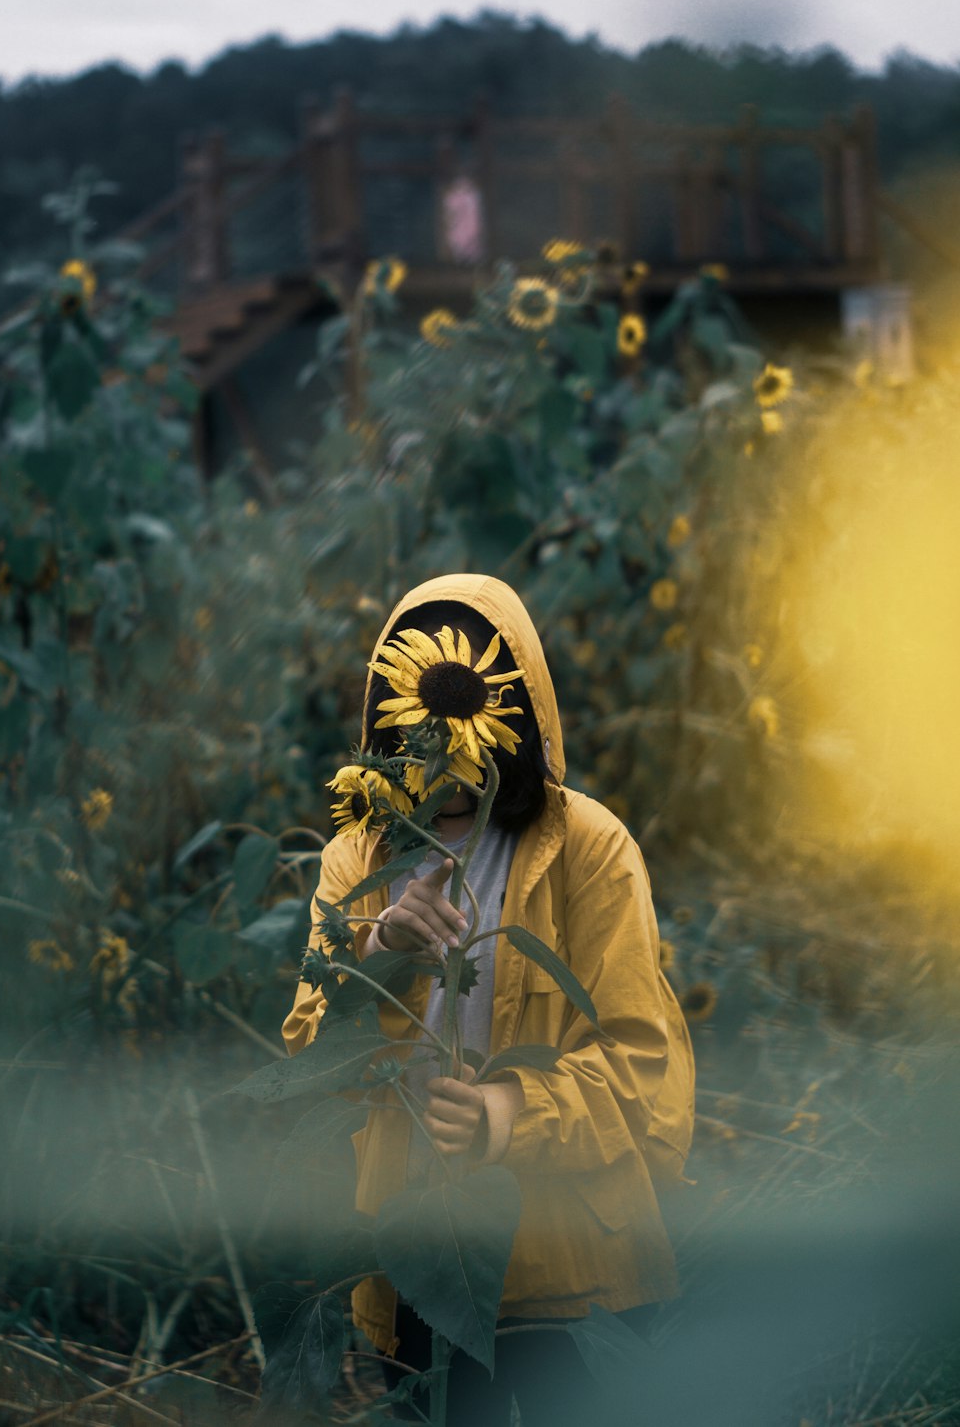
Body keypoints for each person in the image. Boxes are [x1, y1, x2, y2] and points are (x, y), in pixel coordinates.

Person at [282, 572, 695, 1426]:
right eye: (416, 717)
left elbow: (649, 1076)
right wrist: (380, 946)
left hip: (575, 1280)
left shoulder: (589, 850)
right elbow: (309, 1060)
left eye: (465, 715)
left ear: (516, 714)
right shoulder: (358, 861)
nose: (440, 743)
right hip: (418, 1281)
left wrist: (510, 1112)